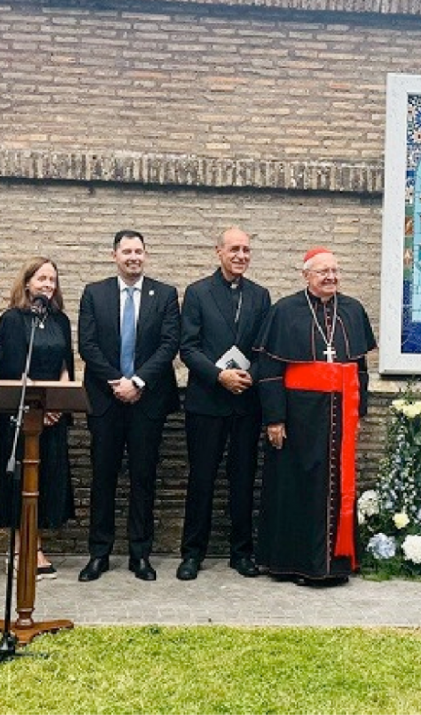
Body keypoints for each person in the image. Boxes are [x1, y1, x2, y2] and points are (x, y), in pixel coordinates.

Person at [254, 247, 375, 586]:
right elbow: (270, 370)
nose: (330, 277)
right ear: (306, 275)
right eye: (323, 271)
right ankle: (295, 563)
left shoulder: (352, 310)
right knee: (297, 486)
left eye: (335, 271)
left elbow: (360, 368)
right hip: (298, 415)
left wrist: (359, 411)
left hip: (340, 413)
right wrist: (275, 419)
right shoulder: (285, 310)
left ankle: (335, 564)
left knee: (337, 486)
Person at [76, 230, 180, 582]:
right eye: (127, 251)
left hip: (147, 402)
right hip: (105, 401)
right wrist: (117, 381)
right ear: (114, 256)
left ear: (145, 255)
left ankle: (140, 554)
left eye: (139, 251)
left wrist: (137, 382)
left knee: (143, 478)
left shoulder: (164, 294)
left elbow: (169, 345)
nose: (133, 257)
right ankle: (98, 554)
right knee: (102, 478)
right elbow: (87, 345)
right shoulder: (94, 293)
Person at [176, 227, 271, 581]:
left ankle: (241, 553)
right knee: (201, 479)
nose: (241, 256)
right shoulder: (198, 292)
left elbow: (264, 349)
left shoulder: (260, 296)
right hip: (207, 402)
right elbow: (188, 348)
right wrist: (220, 376)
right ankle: (192, 554)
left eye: (246, 250)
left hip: (246, 402)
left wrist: (250, 376)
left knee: (244, 480)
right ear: (219, 252)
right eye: (234, 249)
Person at [0, 257, 76, 581]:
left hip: (52, 415)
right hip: (20, 414)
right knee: (22, 482)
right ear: (27, 283)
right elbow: (10, 367)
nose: (48, 285)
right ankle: (23, 549)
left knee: (45, 480)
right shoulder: (12, 319)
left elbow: (66, 365)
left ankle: (35, 544)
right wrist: (38, 404)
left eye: (52, 280)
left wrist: (58, 403)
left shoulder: (60, 320)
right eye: (41, 279)